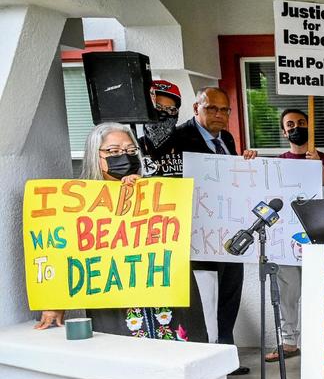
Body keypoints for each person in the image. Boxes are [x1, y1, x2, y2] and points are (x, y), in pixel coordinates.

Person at [34, 123, 208, 342]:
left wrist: (144, 195)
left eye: (130, 151)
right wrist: (55, 302)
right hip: (115, 305)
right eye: (113, 151)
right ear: (94, 156)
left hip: (168, 298)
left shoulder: (158, 191)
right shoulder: (77, 204)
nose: (123, 156)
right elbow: (64, 254)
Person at [144, 87, 258, 373]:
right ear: (196, 108)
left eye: (225, 110)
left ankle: (227, 353)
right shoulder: (177, 137)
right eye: (212, 109)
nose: (219, 115)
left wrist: (244, 163)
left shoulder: (227, 138)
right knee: (205, 293)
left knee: (231, 289)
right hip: (196, 232)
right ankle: (208, 355)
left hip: (229, 229)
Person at [267, 108, 324, 362]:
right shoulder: (277, 162)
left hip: (318, 235)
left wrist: (316, 163)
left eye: (301, 123)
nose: (296, 127)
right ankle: (288, 342)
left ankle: (321, 340)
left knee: (319, 290)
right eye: (291, 124)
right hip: (286, 238)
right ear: (284, 131)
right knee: (288, 292)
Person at [139, 80, 183, 177]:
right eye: (157, 107)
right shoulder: (134, 148)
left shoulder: (190, 146)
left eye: (170, 109)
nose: (163, 114)